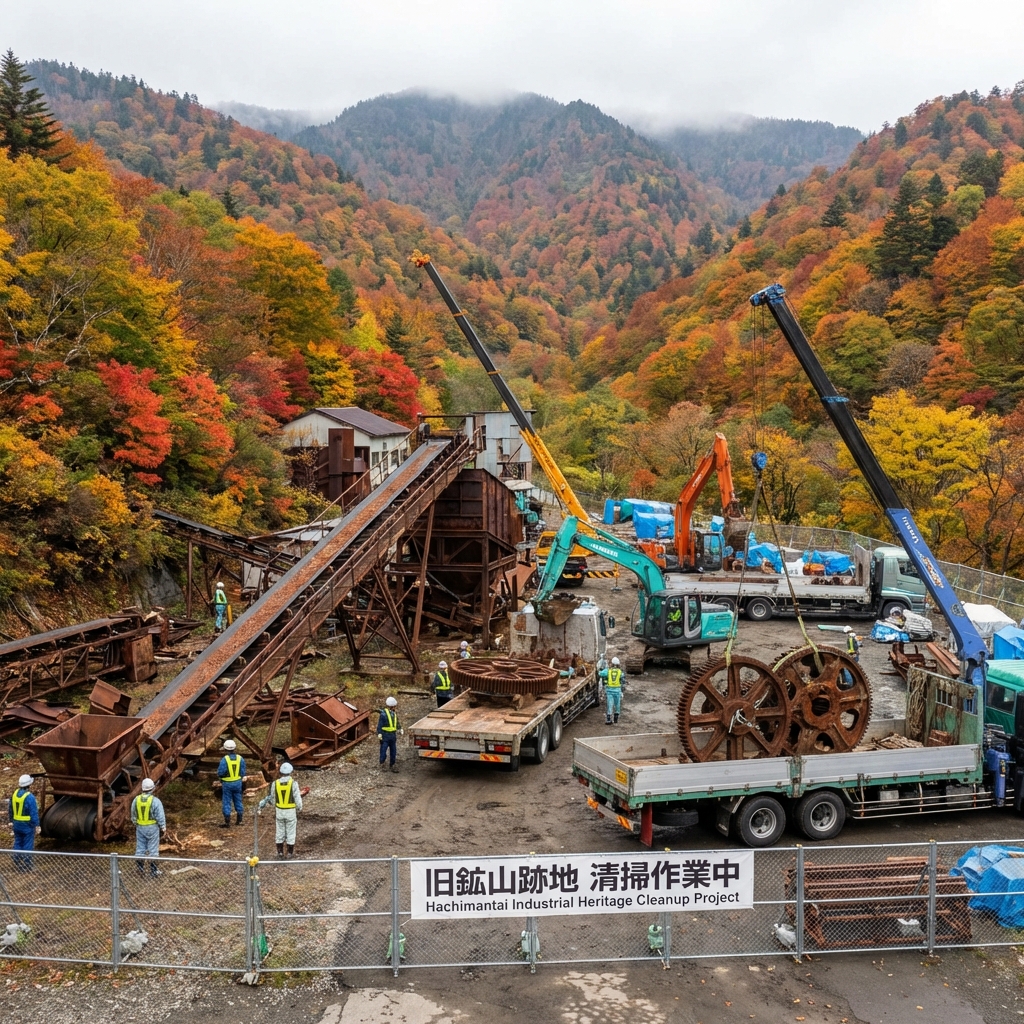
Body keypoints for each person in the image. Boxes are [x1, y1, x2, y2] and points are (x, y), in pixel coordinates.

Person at [258, 763, 302, 859]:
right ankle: (290, 853)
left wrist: (273, 804)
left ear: (281, 772)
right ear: (290, 772)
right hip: (290, 811)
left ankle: (280, 852)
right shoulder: (293, 783)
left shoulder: (275, 783)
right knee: (291, 831)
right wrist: (299, 807)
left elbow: (273, 798)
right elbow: (297, 797)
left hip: (279, 811)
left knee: (280, 831)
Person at [132, 778, 166, 878]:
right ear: (152, 788)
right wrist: (163, 827)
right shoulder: (155, 801)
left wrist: (135, 823)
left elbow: (133, 814)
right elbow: (160, 815)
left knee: (140, 848)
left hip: (140, 827)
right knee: (153, 849)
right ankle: (154, 871)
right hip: (152, 828)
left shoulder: (136, 800)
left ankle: (140, 870)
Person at [8, 775, 39, 872]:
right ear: (29, 784)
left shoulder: (14, 794)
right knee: (27, 844)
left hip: (16, 824)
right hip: (27, 825)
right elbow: (33, 812)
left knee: (18, 841)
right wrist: (37, 825)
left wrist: (11, 821)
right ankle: (27, 864)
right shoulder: (30, 797)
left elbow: (10, 809)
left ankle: (16, 859)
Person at [217, 739, 246, 828]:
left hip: (227, 784)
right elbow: (242, 771)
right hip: (238, 782)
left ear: (225, 749)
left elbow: (220, 772)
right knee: (238, 800)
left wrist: (222, 778)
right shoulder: (240, 758)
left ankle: (227, 822)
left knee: (226, 801)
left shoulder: (224, 760)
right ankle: (239, 820)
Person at [378, 696, 402, 772]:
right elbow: (380, 725)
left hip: (392, 735)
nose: (395, 707)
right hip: (385, 735)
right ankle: (382, 763)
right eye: (394, 706)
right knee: (383, 750)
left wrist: (399, 728)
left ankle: (392, 764)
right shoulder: (383, 714)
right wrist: (379, 733)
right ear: (392, 706)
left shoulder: (394, 714)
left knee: (393, 751)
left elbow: (396, 722)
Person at [600, 656, 626, 725]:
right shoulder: (620, 672)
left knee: (610, 704)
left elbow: (600, 673)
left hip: (609, 691)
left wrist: (600, 670)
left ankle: (608, 719)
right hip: (617, 691)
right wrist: (622, 691)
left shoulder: (608, 671)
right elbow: (623, 681)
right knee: (617, 705)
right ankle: (616, 718)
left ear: (611, 663)